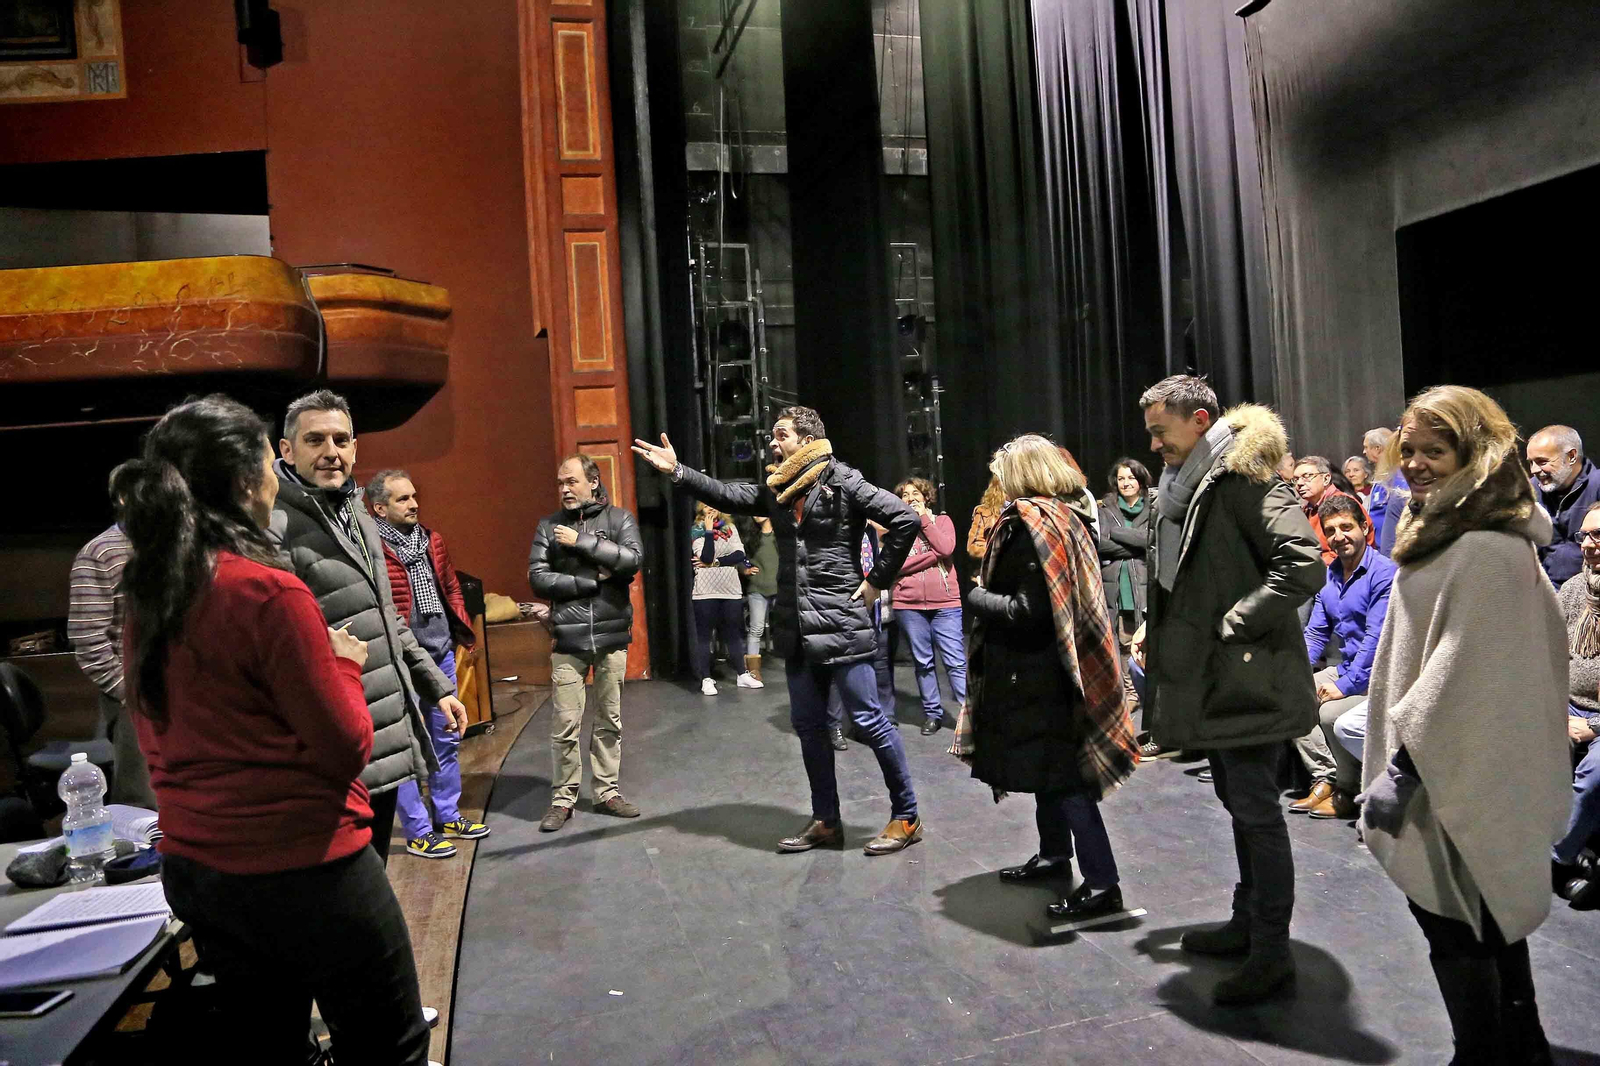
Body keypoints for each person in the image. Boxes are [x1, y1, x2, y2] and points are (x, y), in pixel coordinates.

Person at [121, 395, 430, 1064]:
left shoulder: (150, 590)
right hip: (302, 866)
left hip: (201, 866)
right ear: (246, 481)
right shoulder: (266, 590)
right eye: (270, 461)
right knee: (388, 1043)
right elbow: (345, 744)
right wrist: (344, 667)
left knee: (268, 1045)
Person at [1361, 385, 1569, 1063]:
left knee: (1455, 921)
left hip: (1455, 767)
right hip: (1455, 762)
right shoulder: (1449, 530)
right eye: (1409, 448)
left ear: (1473, 454)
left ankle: (1483, 1053)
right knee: (1485, 916)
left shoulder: (1482, 545)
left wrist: (1401, 771)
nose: (1415, 463)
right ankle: (1523, 1045)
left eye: (1435, 450)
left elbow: (1462, 677)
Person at [633, 406, 925, 855]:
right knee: (809, 727)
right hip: (797, 626)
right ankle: (826, 820)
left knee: (869, 720)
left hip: (842, 621)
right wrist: (679, 471)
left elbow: (906, 519)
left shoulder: (844, 480)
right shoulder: (777, 489)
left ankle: (906, 816)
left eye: (781, 434)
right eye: (773, 435)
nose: (773, 442)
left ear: (806, 440)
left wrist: (876, 582)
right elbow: (727, 494)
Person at [1140, 375, 1322, 1005]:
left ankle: (1272, 953)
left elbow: (1302, 562)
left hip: (1249, 678)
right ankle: (1249, 925)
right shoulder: (1188, 485)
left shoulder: (1243, 478)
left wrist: (1235, 620)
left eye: (1162, 432)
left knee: (1256, 812)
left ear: (1198, 419)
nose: (1155, 446)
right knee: (1241, 805)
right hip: (1221, 680)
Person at [270, 390, 466, 863]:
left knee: (374, 869)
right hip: (333, 740)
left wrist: (436, 686)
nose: (330, 452)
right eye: (314, 440)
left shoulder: (356, 510)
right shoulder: (274, 524)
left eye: (341, 440)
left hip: (384, 726)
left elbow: (387, 615)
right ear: (286, 450)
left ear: (356, 448)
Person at [958, 436, 1138, 922]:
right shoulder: (1065, 517)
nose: (1000, 482)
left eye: (1004, 472)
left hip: (1040, 673)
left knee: (1064, 778)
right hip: (1052, 666)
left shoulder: (1031, 526)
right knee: (1049, 775)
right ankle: (1055, 854)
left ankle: (1102, 884)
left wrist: (974, 597)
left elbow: (1027, 611)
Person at [367, 470, 491, 860]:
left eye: (414, 496)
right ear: (379, 508)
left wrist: (460, 628)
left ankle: (448, 815)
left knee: (447, 738)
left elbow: (451, 586)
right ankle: (419, 830)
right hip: (400, 663)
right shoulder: (371, 548)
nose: (414, 504)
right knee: (404, 751)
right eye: (402, 499)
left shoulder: (431, 539)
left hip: (438, 654)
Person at [527, 455, 645, 832]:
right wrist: (588, 583)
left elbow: (632, 560)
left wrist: (583, 542)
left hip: (611, 636)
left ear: (593, 482)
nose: (564, 489)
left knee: (609, 719)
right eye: (560, 483)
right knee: (565, 723)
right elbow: (537, 578)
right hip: (568, 636)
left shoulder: (619, 519)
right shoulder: (548, 525)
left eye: (572, 481)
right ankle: (563, 799)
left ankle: (606, 791)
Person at [1287, 494, 1394, 820]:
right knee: (1289, 696)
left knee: (1331, 713)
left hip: (1379, 675)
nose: (1339, 536)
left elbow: (1374, 642)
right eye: (1331, 530)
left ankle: (1348, 791)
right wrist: (1295, 671)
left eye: (1346, 527)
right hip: (1347, 666)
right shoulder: (1331, 574)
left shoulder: (1384, 573)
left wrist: (1345, 686)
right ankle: (1326, 776)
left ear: (1365, 527)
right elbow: (1316, 633)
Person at [67, 463, 156, 808]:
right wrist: (131, 691)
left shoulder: (176, 547)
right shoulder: (100, 554)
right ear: (123, 498)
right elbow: (89, 641)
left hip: (182, 693)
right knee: (144, 808)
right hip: (135, 700)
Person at [1551, 501, 1600, 907]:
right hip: (1565, 708)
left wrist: (1596, 729)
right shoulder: (1571, 591)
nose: (1588, 545)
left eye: (1599, 536)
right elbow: (1550, 658)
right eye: (1585, 535)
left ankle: (1552, 861)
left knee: (1596, 772)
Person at [891, 477, 966, 736]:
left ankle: (969, 715)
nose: (911, 498)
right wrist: (933, 556)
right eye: (905, 495)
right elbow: (895, 565)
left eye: (915, 493)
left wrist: (924, 521)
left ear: (926, 497)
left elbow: (947, 546)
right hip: (908, 605)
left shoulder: (942, 521)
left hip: (945, 603)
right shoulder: (897, 528)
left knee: (955, 661)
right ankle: (932, 714)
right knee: (923, 663)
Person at [690, 502, 758, 694]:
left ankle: (742, 674)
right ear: (700, 510)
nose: (711, 509)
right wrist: (709, 532)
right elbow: (705, 556)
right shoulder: (697, 530)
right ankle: (706, 679)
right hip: (705, 592)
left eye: (713, 506)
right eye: (706, 506)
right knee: (704, 637)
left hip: (730, 590)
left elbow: (739, 555)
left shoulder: (730, 528)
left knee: (733, 634)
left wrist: (716, 563)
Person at [1527, 425, 1600, 586]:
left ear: (1572, 456)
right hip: (1545, 591)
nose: (1534, 470)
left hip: (1590, 589)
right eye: (1531, 463)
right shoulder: (1530, 491)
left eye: (1542, 461)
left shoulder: (1597, 485)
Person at [1292, 456, 1373, 565]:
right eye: (1296, 479)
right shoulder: (1308, 508)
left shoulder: (1343, 504)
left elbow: (1344, 552)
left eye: (1306, 476)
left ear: (1326, 479)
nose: (1299, 484)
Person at [740, 515, 780, 683]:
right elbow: (739, 557)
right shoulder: (750, 536)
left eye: (760, 511)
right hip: (757, 588)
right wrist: (745, 569)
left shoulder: (780, 535)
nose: (757, 515)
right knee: (756, 629)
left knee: (790, 625)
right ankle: (753, 670)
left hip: (780, 588)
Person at [1363, 428, 1398, 551]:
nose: (1364, 451)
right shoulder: (1381, 476)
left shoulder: (1394, 477)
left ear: (1377, 449)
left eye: (1366, 447)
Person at [967, 476, 1005, 571]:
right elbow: (974, 547)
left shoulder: (1024, 509)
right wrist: (999, 553)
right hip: (994, 570)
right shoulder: (984, 511)